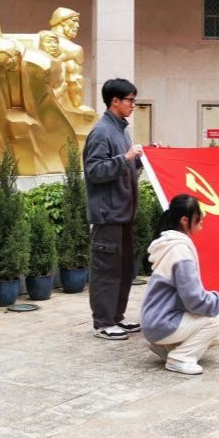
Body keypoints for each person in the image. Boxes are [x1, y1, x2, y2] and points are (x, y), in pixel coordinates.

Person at [140, 194, 219, 375]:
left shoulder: (168, 244)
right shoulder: (180, 249)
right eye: (198, 217)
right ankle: (180, 358)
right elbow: (193, 299)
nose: (202, 221)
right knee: (218, 318)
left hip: (153, 321)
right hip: (162, 323)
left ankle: (165, 348)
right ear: (185, 220)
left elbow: (190, 294)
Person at [83, 78, 145, 340]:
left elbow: (123, 167)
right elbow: (94, 170)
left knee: (123, 269)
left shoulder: (120, 131)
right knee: (106, 270)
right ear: (115, 101)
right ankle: (103, 323)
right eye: (130, 100)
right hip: (108, 215)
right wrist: (126, 157)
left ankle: (116, 317)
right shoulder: (101, 132)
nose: (133, 105)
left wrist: (141, 159)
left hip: (123, 213)